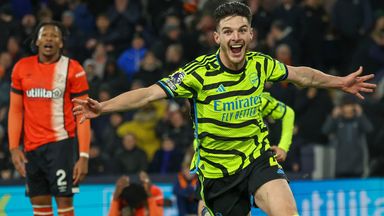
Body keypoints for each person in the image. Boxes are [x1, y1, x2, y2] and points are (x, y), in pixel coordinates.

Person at [73, 2, 376, 215]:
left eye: (242, 30)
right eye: (228, 31)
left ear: (250, 35)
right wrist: (104, 107)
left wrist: (340, 83)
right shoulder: (198, 74)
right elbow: (149, 94)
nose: (236, 37)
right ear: (217, 37)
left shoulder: (260, 64)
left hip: (257, 159)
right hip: (218, 173)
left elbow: (302, 75)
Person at [8, 21, 90, 216]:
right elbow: (16, 111)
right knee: (39, 206)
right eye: (45, 35)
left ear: (61, 43)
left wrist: (84, 156)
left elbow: (83, 115)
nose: (49, 39)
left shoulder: (74, 69)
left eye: (55, 36)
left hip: (61, 146)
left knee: (64, 206)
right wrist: (13, 147)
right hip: (32, 149)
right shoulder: (21, 67)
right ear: (37, 41)